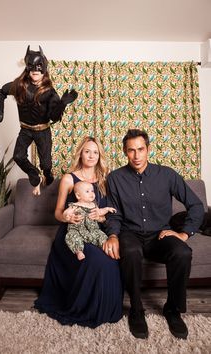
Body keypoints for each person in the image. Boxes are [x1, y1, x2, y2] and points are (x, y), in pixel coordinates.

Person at [103, 128, 204, 340]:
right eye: (131, 150)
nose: (136, 155)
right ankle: (137, 310)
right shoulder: (114, 178)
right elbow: (113, 215)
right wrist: (113, 235)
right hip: (130, 233)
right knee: (129, 250)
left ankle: (173, 310)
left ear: (148, 149)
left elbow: (195, 205)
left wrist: (184, 234)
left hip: (160, 235)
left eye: (141, 149)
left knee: (183, 253)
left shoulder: (167, 175)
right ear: (124, 152)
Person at [34, 136, 123, 328]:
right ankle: (85, 308)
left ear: (100, 156)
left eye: (95, 152)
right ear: (80, 154)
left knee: (111, 258)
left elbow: (108, 215)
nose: (91, 155)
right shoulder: (69, 178)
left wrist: (100, 217)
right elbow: (58, 212)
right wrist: (66, 217)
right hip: (72, 232)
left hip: (95, 231)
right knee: (97, 260)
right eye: (87, 151)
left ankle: (107, 308)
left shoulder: (105, 179)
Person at [0, 45, 78, 195]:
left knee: (46, 163)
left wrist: (62, 103)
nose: (35, 70)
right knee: (18, 156)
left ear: (44, 68)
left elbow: (53, 117)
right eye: (32, 67)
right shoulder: (19, 86)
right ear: (27, 68)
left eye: (39, 67)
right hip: (25, 129)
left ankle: (47, 173)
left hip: (42, 131)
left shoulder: (50, 92)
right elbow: (1, 92)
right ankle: (33, 173)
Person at [63, 180, 116, 260]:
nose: (92, 193)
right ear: (78, 196)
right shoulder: (75, 206)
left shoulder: (93, 205)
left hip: (93, 230)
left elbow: (100, 212)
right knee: (72, 237)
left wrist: (107, 209)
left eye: (92, 191)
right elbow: (66, 212)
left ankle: (106, 247)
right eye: (87, 191)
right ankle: (79, 251)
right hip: (77, 230)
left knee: (102, 236)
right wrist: (67, 216)